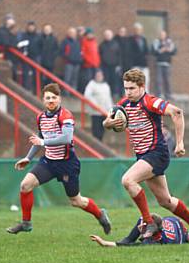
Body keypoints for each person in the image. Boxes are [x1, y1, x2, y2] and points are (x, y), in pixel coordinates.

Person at [103, 69, 189, 248]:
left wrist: (180, 143)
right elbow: (106, 122)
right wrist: (110, 123)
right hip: (144, 156)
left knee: (128, 180)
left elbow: (177, 112)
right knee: (165, 201)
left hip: (157, 153)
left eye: (132, 88)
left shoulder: (150, 102)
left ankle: (148, 221)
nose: (128, 92)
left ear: (142, 86)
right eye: (126, 88)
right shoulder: (124, 104)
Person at [6, 83, 112, 235]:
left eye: (54, 98)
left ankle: (100, 215)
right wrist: (28, 158)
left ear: (60, 99)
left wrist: (43, 142)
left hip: (67, 164)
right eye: (47, 98)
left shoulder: (65, 115)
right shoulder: (41, 117)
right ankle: (26, 223)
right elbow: (40, 138)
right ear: (43, 100)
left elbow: (67, 138)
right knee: (25, 186)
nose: (50, 101)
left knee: (76, 201)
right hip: (48, 162)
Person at [90, 214, 189, 247]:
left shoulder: (157, 241)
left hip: (181, 233)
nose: (141, 225)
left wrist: (104, 243)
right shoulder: (144, 221)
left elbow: (131, 246)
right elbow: (129, 239)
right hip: (171, 220)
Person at [84, 69, 113, 141]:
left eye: (100, 75)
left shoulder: (106, 86)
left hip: (104, 112)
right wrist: (95, 105)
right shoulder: (91, 84)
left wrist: (110, 110)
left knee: (102, 132)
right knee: (96, 132)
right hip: (95, 112)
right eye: (97, 75)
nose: (99, 77)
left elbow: (108, 99)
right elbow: (87, 95)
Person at [152, 30, 177, 100]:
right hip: (159, 63)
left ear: (165, 35)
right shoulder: (157, 42)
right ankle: (159, 94)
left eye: (163, 35)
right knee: (159, 80)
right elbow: (153, 51)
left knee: (167, 80)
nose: (162, 36)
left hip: (167, 64)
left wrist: (169, 50)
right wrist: (161, 50)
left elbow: (174, 51)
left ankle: (168, 95)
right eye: (161, 35)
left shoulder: (169, 42)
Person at [17, 21, 41, 86]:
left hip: (35, 57)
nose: (31, 28)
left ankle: (35, 90)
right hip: (26, 57)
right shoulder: (24, 36)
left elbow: (41, 46)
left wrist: (38, 55)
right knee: (25, 74)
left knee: (36, 74)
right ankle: (25, 88)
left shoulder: (38, 36)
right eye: (29, 27)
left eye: (32, 27)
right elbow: (19, 45)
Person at [99, 29, 122, 97]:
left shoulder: (116, 44)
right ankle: (106, 94)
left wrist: (119, 65)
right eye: (106, 35)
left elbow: (119, 55)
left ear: (111, 35)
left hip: (114, 66)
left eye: (108, 35)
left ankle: (114, 94)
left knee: (114, 80)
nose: (107, 36)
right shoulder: (102, 45)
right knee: (106, 80)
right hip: (105, 66)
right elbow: (100, 55)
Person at [60, 27, 82, 91]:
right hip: (69, 63)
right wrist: (67, 57)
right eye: (71, 33)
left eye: (74, 33)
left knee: (75, 79)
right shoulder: (65, 41)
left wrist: (80, 59)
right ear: (68, 33)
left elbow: (81, 51)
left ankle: (73, 92)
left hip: (77, 63)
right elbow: (62, 52)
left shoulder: (78, 42)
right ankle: (66, 93)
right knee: (67, 78)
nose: (73, 34)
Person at [130, 23, 151, 90]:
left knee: (146, 80)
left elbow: (146, 51)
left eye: (139, 30)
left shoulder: (144, 39)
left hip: (144, 64)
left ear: (141, 30)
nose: (138, 31)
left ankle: (146, 94)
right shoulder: (131, 39)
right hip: (135, 63)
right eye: (136, 29)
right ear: (134, 30)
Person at [79, 27, 100, 92]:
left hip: (95, 64)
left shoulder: (94, 42)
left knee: (95, 79)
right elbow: (83, 54)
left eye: (91, 34)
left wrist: (98, 61)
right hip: (88, 65)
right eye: (89, 34)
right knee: (88, 79)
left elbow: (96, 53)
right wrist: (90, 61)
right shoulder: (84, 41)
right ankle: (86, 92)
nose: (90, 35)